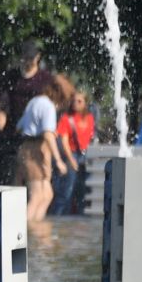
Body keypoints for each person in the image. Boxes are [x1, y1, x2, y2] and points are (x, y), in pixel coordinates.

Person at [0, 40, 53, 185]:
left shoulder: (45, 79)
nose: (28, 62)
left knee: (34, 183)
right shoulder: (11, 76)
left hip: (34, 138)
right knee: (8, 178)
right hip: (12, 134)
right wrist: (0, 114)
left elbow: (53, 103)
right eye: (25, 58)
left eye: (31, 58)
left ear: (38, 57)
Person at [15, 73, 71, 226]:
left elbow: (18, 128)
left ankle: (36, 229)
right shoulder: (47, 105)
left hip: (29, 147)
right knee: (37, 196)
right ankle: (23, 231)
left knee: (47, 194)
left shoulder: (34, 101)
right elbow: (47, 134)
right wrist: (58, 160)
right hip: (35, 150)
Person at [54, 86, 96, 215]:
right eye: (74, 101)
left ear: (85, 103)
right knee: (66, 192)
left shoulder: (89, 118)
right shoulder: (66, 118)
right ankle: (59, 219)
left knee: (82, 192)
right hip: (71, 155)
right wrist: (71, 160)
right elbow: (64, 141)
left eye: (79, 101)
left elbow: (90, 138)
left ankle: (79, 220)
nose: (76, 104)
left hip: (85, 156)